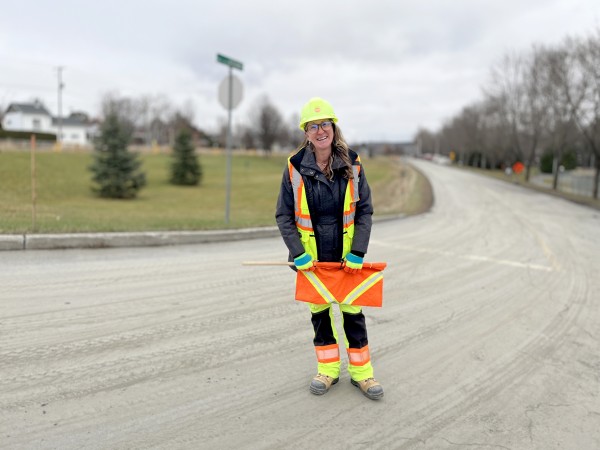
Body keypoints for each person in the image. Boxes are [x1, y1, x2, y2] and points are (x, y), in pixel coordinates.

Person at [275, 97, 384, 400]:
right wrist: (298, 252)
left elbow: (364, 212)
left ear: (333, 128)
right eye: (313, 126)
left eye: (325, 124)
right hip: (313, 261)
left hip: (348, 260)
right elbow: (283, 215)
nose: (320, 130)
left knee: (353, 317)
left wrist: (358, 251)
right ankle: (329, 371)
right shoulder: (294, 168)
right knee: (321, 318)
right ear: (306, 132)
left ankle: (363, 375)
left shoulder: (354, 164)